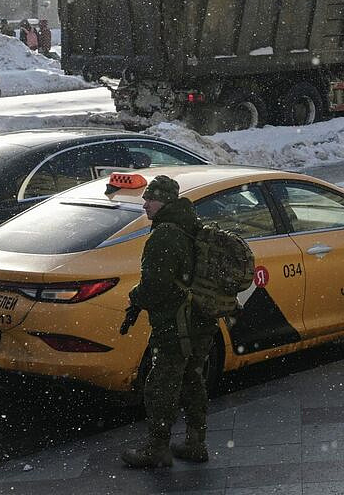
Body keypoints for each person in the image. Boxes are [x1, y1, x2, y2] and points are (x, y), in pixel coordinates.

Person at [120, 175, 202, 468]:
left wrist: (135, 296)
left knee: (160, 385)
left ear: (164, 201)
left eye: (150, 199)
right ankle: (195, 443)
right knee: (192, 379)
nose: (145, 204)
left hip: (174, 322)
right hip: (198, 317)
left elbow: (155, 286)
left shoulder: (164, 235)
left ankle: (157, 449)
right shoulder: (190, 222)